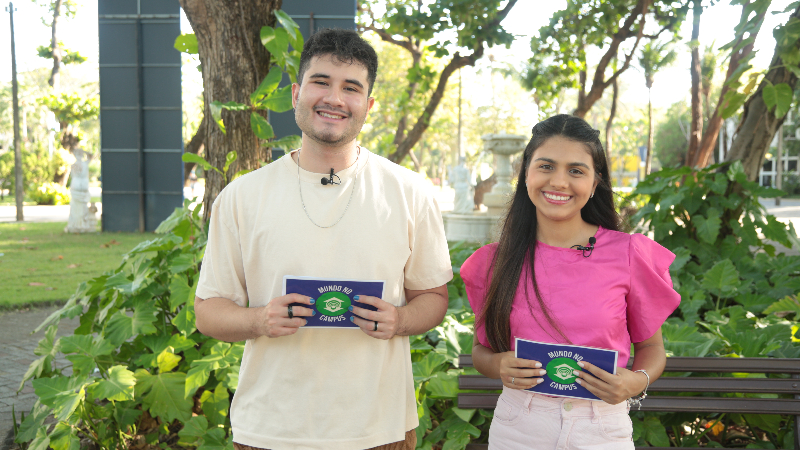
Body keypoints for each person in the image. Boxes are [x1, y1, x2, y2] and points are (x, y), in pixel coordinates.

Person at [194, 28, 453, 450]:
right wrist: (259, 320)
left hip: (379, 428)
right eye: (320, 82)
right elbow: (208, 312)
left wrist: (399, 320)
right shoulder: (242, 197)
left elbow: (433, 298)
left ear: (368, 105)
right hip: (270, 429)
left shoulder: (410, 192)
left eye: (351, 88)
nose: (334, 98)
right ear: (297, 92)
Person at [460, 114, 681, 449]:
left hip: (602, 429)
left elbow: (652, 349)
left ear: (595, 183)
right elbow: (482, 351)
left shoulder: (629, 254)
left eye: (576, 171)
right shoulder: (495, 261)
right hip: (519, 426)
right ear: (526, 174)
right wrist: (497, 364)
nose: (559, 182)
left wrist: (636, 381)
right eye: (546, 166)